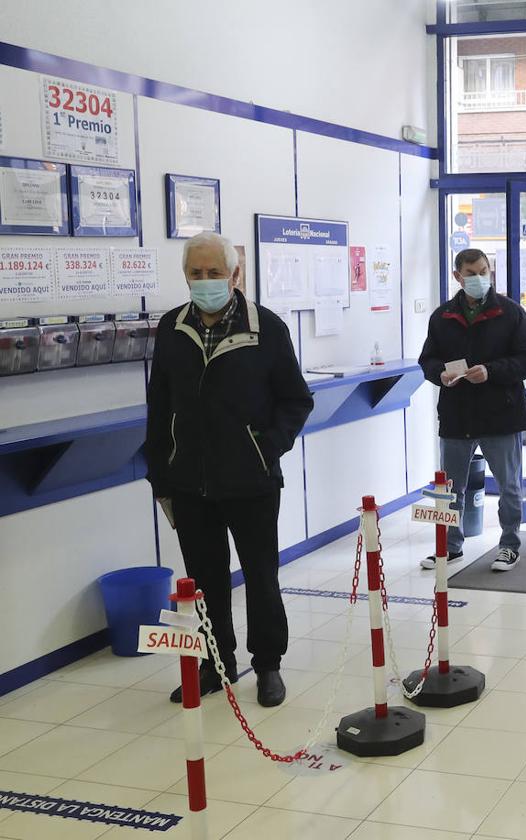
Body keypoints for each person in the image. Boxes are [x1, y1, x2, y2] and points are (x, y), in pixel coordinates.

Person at [145, 232, 314, 707]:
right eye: (195, 274)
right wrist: (160, 473)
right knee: (204, 582)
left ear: (235, 275)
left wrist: (266, 447)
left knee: (261, 576)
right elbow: (159, 404)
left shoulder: (267, 327)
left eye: (213, 273)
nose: (205, 282)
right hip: (189, 481)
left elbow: (296, 399)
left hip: (251, 479)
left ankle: (268, 666)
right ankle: (216, 664)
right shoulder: (171, 328)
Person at [418, 249, 526, 572]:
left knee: (509, 485)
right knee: (450, 488)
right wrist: (439, 373)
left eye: (484, 271)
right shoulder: (442, 317)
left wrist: (492, 371)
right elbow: (427, 360)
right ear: (458, 276)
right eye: (471, 273)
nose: (479, 278)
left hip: (501, 414)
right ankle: (450, 547)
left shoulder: (510, 313)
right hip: (457, 415)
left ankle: (510, 546)